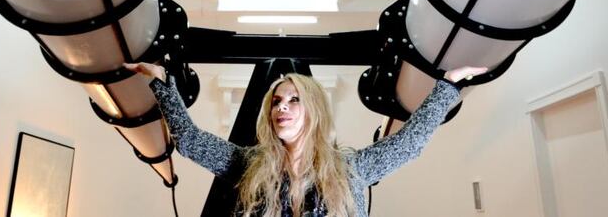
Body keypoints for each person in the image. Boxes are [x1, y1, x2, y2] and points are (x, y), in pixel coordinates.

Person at [125, 62, 488, 217]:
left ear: (313, 108)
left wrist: (449, 84)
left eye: (294, 100)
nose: (282, 108)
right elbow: (188, 140)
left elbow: (410, 143)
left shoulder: (351, 169)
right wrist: (160, 80)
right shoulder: (248, 164)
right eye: (277, 101)